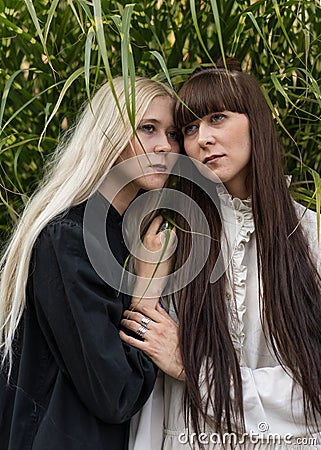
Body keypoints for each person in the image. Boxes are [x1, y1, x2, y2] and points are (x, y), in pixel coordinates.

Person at [120, 58, 321, 449]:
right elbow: (151, 383)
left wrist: (194, 370)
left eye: (217, 118)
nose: (202, 139)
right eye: (190, 128)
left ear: (254, 123)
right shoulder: (171, 236)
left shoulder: (310, 235)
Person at [0, 75, 181, 450]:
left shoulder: (132, 234)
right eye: (148, 129)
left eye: (174, 133)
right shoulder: (68, 239)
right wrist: (147, 293)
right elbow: (116, 394)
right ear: (110, 138)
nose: (165, 145)